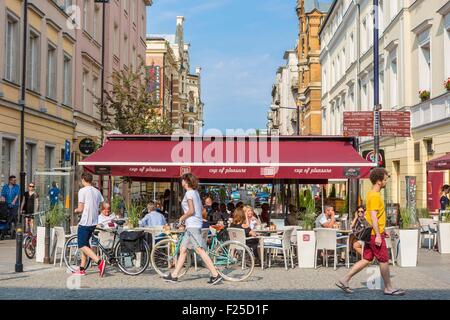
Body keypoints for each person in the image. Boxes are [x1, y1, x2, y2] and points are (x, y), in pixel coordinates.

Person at [337, 168, 405, 296]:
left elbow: (374, 216)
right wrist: (379, 235)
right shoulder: (374, 196)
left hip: (373, 234)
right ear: (379, 181)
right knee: (384, 259)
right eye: (385, 179)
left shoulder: (370, 194)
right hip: (374, 235)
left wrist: (382, 231)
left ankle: (344, 279)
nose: (386, 182)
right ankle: (388, 287)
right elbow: (373, 216)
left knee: (367, 258)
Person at [163, 173, 222, 284]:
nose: (181, 182)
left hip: (193, 226)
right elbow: (199, 208)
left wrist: (182, 218)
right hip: (192, 225)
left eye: (182, 180)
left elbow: (191, 210)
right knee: (183, 250)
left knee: (200, 250)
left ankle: (215, 274)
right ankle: (174, 275)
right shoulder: (195, 193)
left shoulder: (189, 193)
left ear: (186, 182)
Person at [73, 172, 105, 277]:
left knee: (82, 245)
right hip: (94, 222)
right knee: (86, 244)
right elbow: (101, 205)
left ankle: (99, 261)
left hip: (85, 222)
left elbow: (80, 209)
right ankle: (82, 268)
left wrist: (76, 210)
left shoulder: (82, 191)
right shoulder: (97, 191)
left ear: (83, 180)